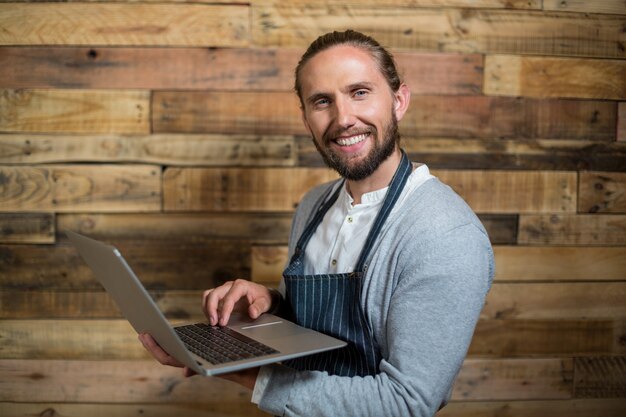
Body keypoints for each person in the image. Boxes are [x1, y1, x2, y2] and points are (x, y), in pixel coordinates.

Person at [139, 29, 494, 416]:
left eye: (360, 92)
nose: (343, 119)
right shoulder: (314, 205)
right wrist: (268, 305)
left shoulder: (443, 234)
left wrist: (249, 375)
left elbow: (406, 403)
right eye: (322, 101)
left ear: (399, 100)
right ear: (306, 118)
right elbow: (311, 335)